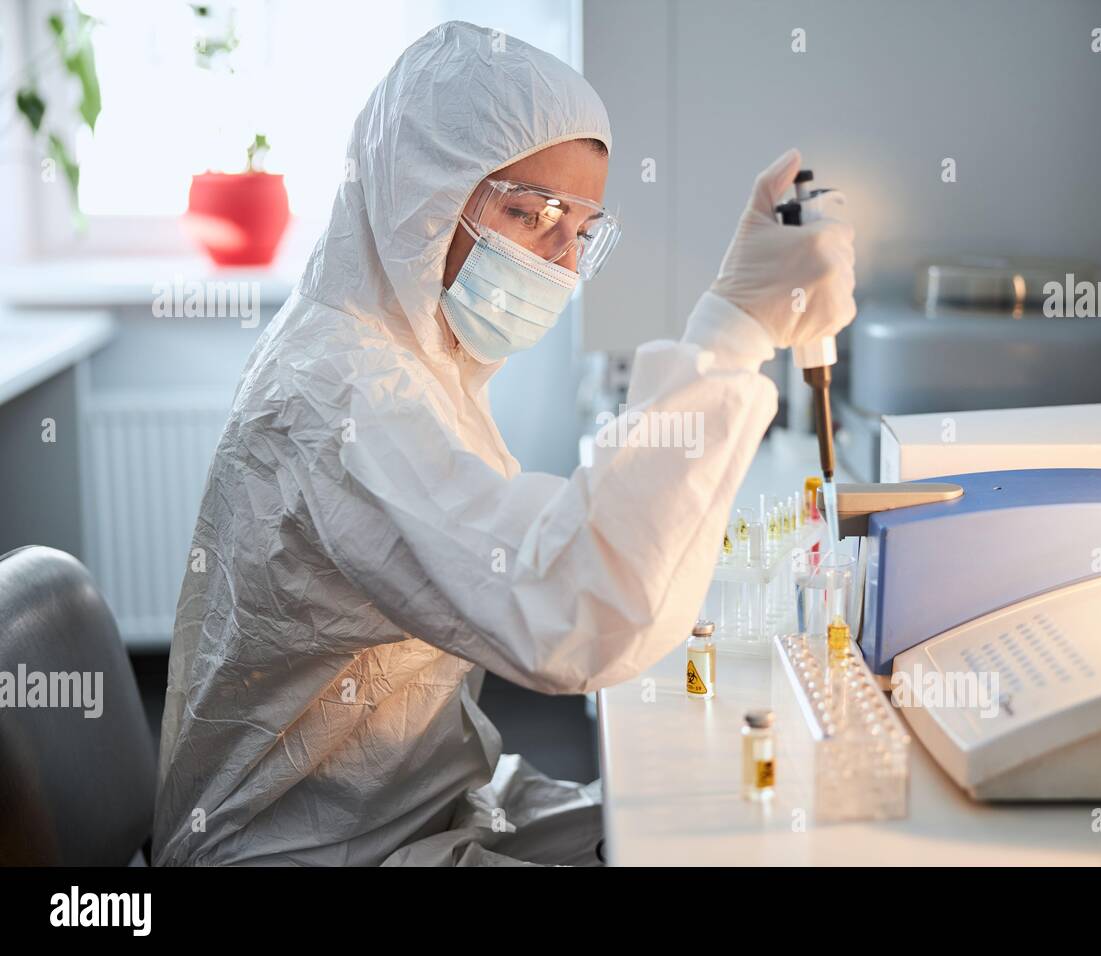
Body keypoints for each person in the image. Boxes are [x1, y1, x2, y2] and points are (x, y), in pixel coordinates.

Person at [153, 20, 855, 866]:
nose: (560, 260)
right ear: (420, 196)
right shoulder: (341, 397)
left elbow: (535, 556)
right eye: (532, 214)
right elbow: (573, 616)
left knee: (675, 816)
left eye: (581, 230)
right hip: (305, 848)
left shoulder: (404, 357)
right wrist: (731, 333)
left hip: (410, 803)